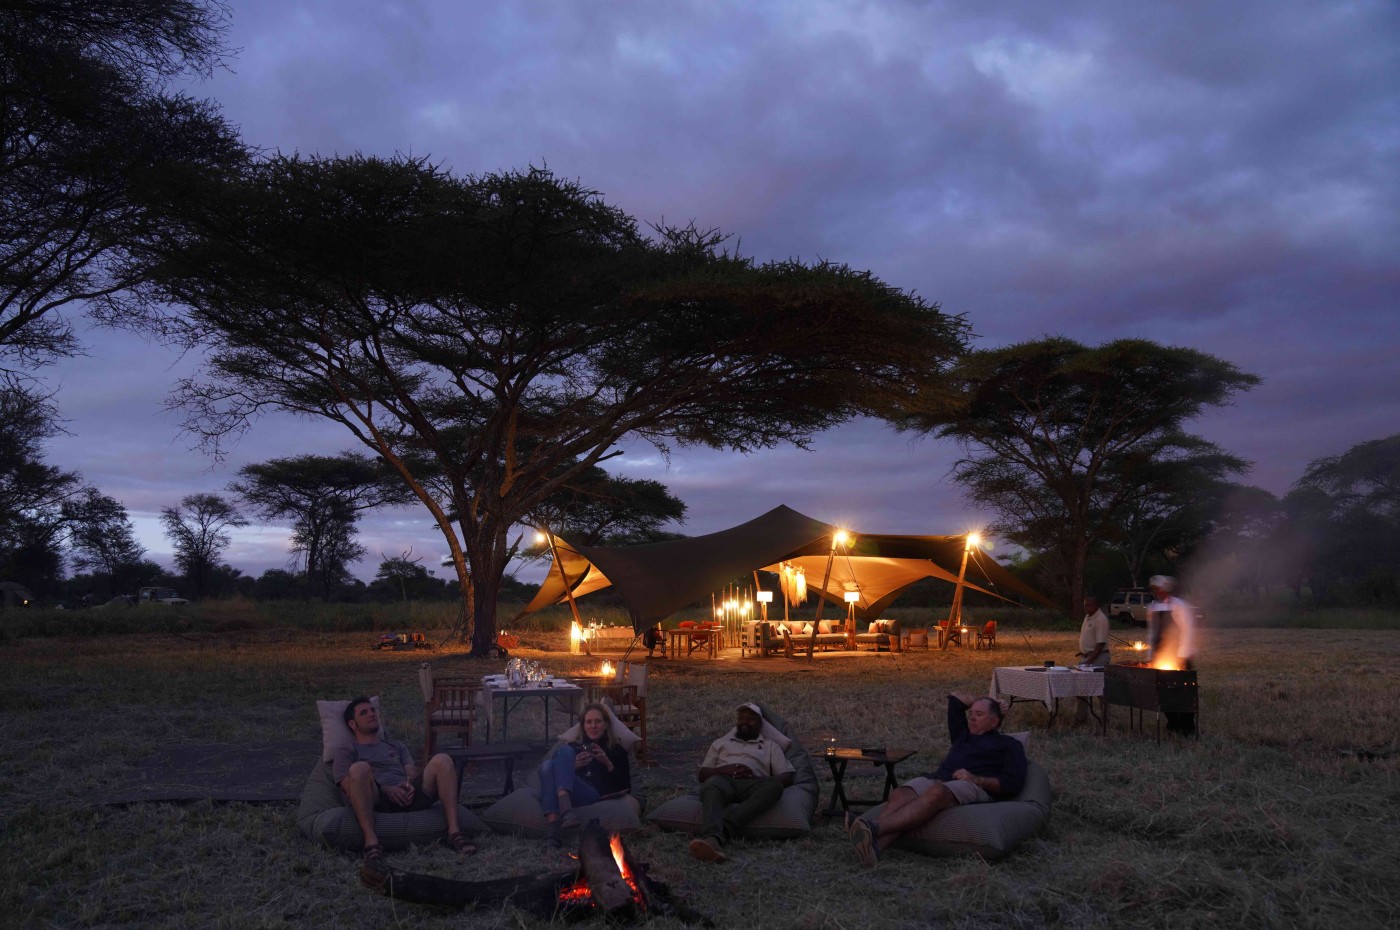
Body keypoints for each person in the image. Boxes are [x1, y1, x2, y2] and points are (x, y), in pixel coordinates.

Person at [849, 692, 1026, 867]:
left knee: (937, 792)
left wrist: (976, 779)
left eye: (979, 715)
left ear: (994, 721)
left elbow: (1012, 783)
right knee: (900, 794)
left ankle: (873, 827)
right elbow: (956, 698)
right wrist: (988, 701)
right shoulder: (961, 734)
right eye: (970, 713)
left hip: (972, 785)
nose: (972, 718)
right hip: (939, 778)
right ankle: (875, 849)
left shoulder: (1009, 745)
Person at [333, 696, 476, 868]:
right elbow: (349, 787)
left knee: (443, 759)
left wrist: (407, 785)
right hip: (377, 797)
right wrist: (387, 790)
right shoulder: (347, 750)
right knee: (359, 768)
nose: (371, 714)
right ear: (352, 724)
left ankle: (454, 832)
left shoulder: (396, 746)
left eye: (372, 710)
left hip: (408, 794)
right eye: (364, 713)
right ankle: (371, 843)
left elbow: (411, 773)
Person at [690, 703, 795, 863]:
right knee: (711, 785)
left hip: (754, 784)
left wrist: (759, 779)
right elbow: (703, 775)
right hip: (723, 781)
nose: (745, 722)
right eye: (741, 718)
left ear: (760, 724)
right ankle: (712, 838)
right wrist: (725, 769)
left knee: (774, 786)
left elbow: (787, 776)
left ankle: (725, 828)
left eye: (751, 719)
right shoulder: (721, 743)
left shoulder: (770, 746)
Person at [538, 702, 632, 847]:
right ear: (583, 726)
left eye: (598, 721)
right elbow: (551, 773)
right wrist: (572, 767)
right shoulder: (573, 747)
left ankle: (554, 825)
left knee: (551, 763)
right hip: (572, 793)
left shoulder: (616, 749)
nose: (593, 726)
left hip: (592, 793)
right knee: (550, 763)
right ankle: (560, 818)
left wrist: (608, 763)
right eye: (589, 722)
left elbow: (625, 786)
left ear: (605, 724)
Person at [1148, 575, 1198, 735]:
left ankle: (1187, 726)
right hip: (1161, 656)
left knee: (1183, 693)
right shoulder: (1153, 607)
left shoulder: (1179, 606)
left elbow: (1187, 630)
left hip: (1181, 656)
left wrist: (1182, 656)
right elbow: (1152, 632)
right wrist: (1151, 655)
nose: (1158, 592)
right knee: (1163, 692)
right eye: (1155, 590)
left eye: (1160, 589)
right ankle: (1173, 723)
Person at [1074, 595, 1111, 723]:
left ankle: (1106, 718)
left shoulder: (1100, 619)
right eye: (1086, 605)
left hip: (1098, 658)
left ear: (1096, 605)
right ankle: (1081, 717)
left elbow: (1100, 645)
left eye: (1090, 605)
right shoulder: (1088, 617)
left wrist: (1087, 663)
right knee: (1081, 688)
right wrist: (1084, 652)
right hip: (1088, 657)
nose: (1087, 608)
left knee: (1100, 689)